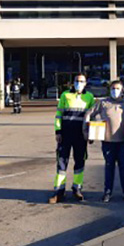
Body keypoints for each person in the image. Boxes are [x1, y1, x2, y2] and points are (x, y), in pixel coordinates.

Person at [49, 74, 95, 204]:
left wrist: (91, 134)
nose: (79, 83)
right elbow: (58, 115)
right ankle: (59, 191)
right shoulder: (65, 95)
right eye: (77, 81)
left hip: (81, 136)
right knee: (62, 163)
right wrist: (58, 131)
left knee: (79, 162)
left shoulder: (90, 97)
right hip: (65, 135)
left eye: (81, 81)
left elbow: (92, 117)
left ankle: (77, 188)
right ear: (73, 82)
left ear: (85, 83)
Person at [84, 80, 124, 203]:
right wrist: (87, 131)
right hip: (107, 141)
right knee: (109, 167)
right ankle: (107, 192)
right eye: (112, 88)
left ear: (122, 90)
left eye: (117, 88)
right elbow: (88, 114)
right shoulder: (103, 103)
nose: (115, 91)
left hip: (123, 141)